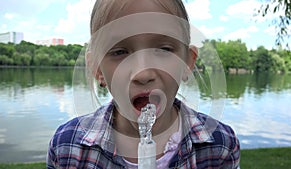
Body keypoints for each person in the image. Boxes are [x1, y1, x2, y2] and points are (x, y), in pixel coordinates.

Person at [47, 0, 240, 168]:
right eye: (120, 52)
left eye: (164, 49)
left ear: (187, 63)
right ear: (98, 69)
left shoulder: (219, 146)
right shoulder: (67, 147)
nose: (143, 73)